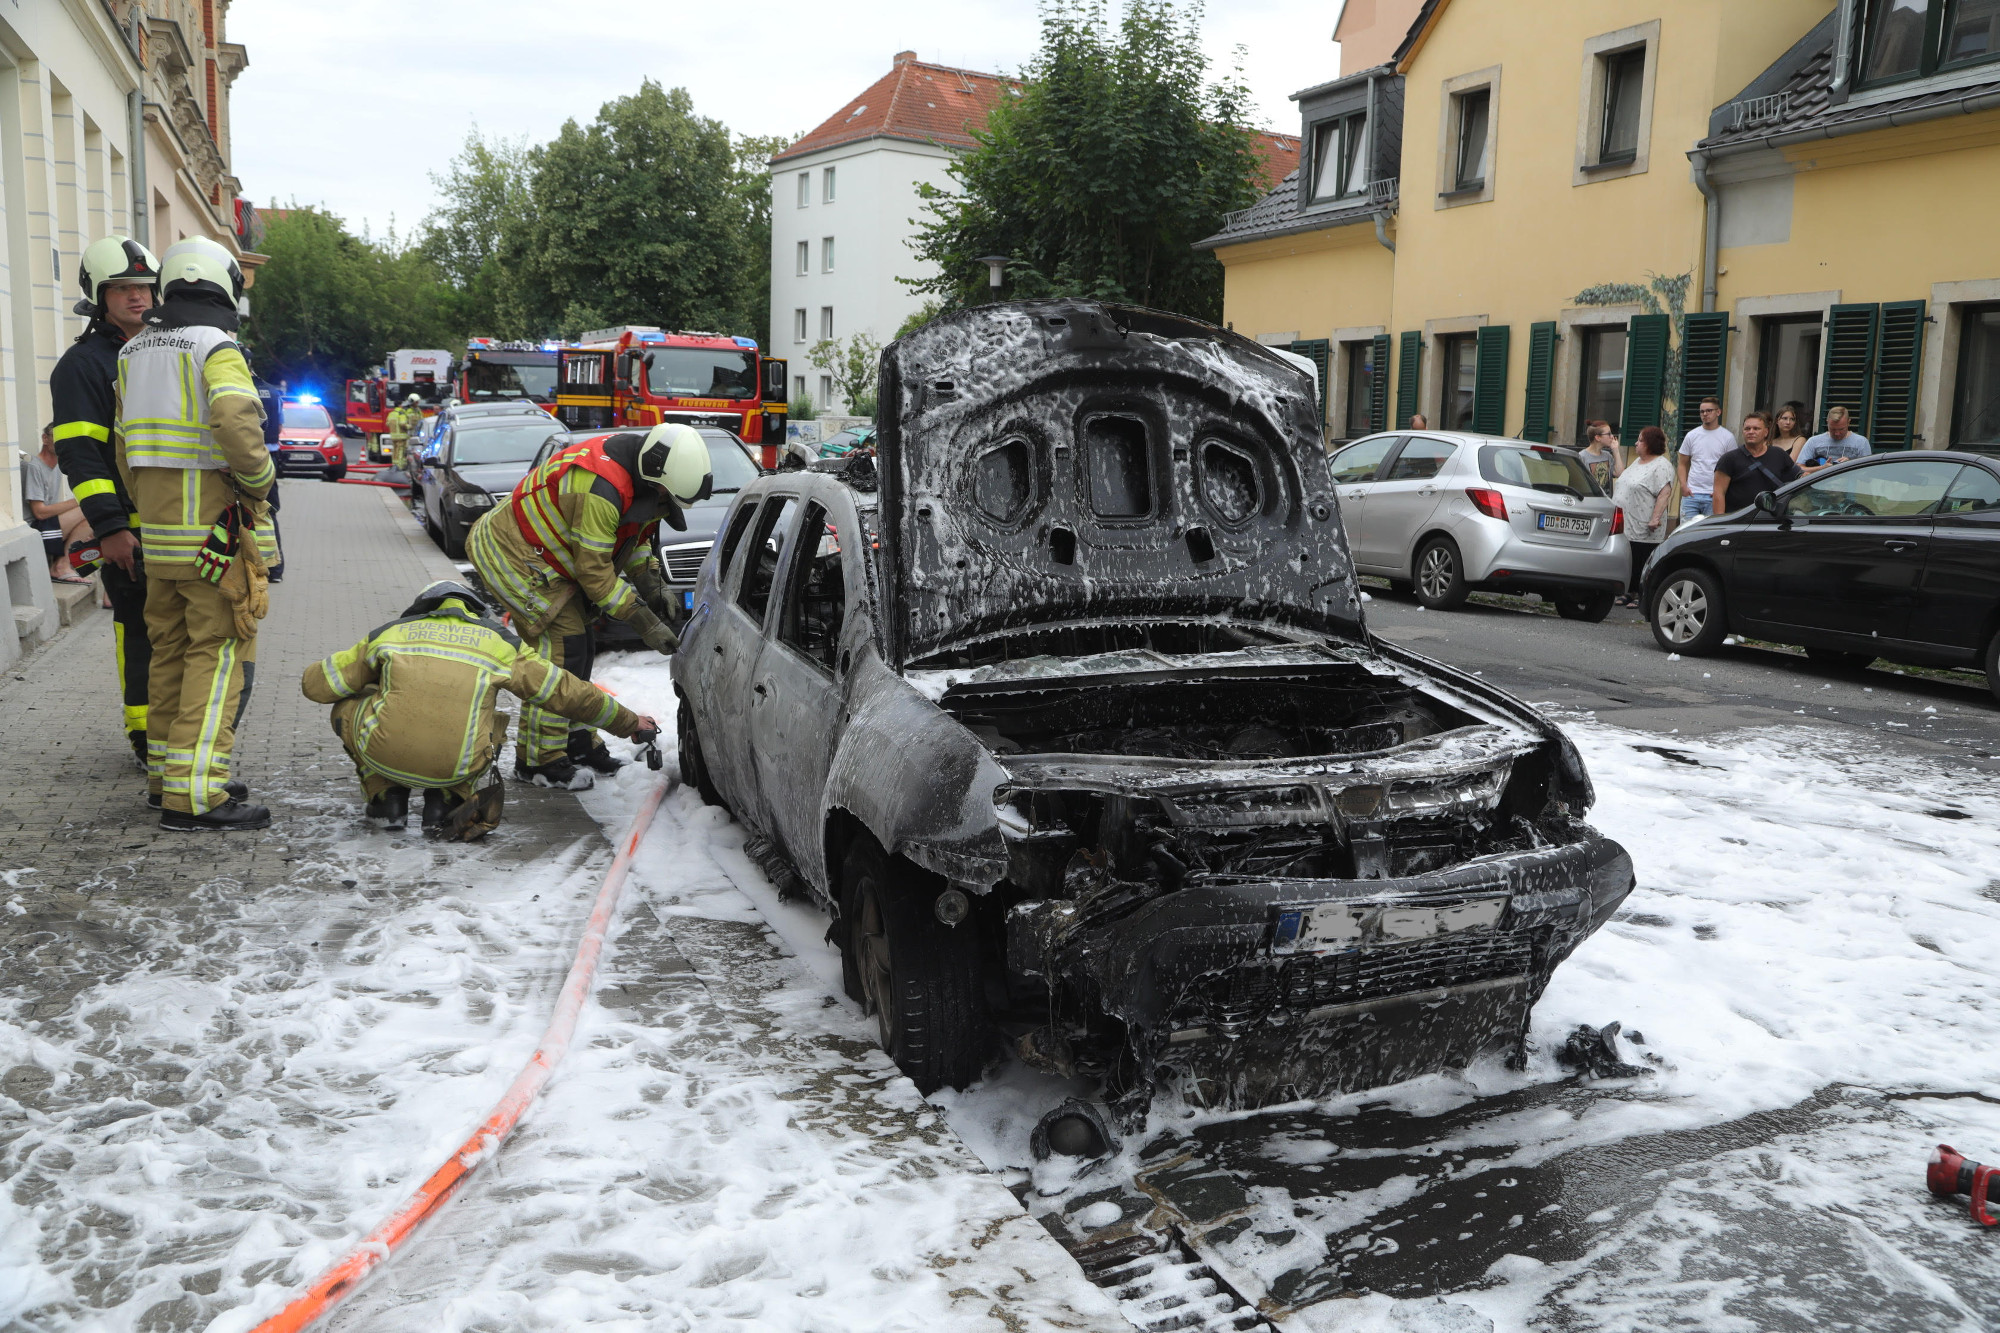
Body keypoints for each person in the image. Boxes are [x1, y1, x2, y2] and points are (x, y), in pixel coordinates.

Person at [115, 236, 276, 831]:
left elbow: (123, 449)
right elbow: (237, 421)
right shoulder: (216, 346)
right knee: (218, 662)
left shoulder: (134, 353)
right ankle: (197, 796)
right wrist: (259, 481)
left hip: (159, 540)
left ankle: (166, 780)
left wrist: (147, 512)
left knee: (170, 658)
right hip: (213, 542)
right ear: (222, 285)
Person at [301, 581, 658, 838]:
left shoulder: (391, 633)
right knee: (493, 722)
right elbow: (567, 693)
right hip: (457, 763)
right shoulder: (499, 644)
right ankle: (446, 799)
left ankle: (384, 798)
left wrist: (373, 677)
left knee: (348, 705)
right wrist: (628, 722)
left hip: (381, 755)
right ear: (476, 612)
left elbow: (317, 686)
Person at [465, 421, 711, 790]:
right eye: (666, 498)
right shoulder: (601, 487)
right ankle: (537, 761)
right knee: (561, 653)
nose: (665, 504)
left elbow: (635, 538)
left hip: (543, 557)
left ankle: (576, 743)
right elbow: (594, 574)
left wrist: (653, 583)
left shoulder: (647, 481)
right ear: (655, 478)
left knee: (581, 648)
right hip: (510, 554)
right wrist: (645, 622)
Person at [50, 235, 160, 766]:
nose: (137, 297)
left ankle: (186, 733)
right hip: (130, 533)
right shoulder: (83, 366)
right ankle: (145, 734)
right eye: (122, 288)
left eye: (144, 286)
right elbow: (82, 457)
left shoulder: (169, 351)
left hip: (181, 525)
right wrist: (112, 528)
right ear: (99, 295)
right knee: (138, 629)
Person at [1613, 426, 1674, 609]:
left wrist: (1655, 518)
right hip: (1627, 522)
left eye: (1640, 440)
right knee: (1630, 557)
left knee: (1643, 559)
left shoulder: (1661, 465)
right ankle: (1629, 591)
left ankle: (1642, 594)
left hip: (1644, 522)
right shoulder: (1637, 461)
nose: (1636, 443)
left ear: (1650, 444)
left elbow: (1664, 493)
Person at [25, 425, 91, 583]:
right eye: (56, 436)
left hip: (49, 526)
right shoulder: (34, 466)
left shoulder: (56, 467)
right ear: (45, 439)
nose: (61, 441)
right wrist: (78, 500)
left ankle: (63, 564)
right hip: (35, 529)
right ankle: (61, 567)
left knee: (93, 512)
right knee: (87, 507)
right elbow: (39, 512)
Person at [1713, 410, 1803, 515]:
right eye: (1747, 428)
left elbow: (1799, 477)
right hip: (1738, 520)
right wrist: (1721, 521)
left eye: (1756, 429)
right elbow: (1719, 493)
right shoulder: (1728, 459)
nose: (1751, 432)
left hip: (1772, 519)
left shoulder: (1779, 454)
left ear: (1766, 432)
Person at [1675, 395, 1736, 520]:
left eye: (1709, 410)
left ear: (1718, 412)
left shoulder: (1727, 437)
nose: (1705, 414)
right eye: (1702, 411)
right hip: (1692, 494)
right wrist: (1683, 486)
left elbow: (1733, 467)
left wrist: (1722, 491)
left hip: (1713, 495)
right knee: (1686, 533)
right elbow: (1682, 463)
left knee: (1709, 534)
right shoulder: (1692, 435)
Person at [1799, 405, 1872, 473]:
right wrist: (1822, 468)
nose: (1837, 433)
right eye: (1833, 429)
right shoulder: (1813, 441)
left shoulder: (1861, 442)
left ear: (1848, 422)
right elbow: (1799, 468)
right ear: (1827, 422)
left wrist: (1850, 465)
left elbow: (1868, 472)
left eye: (1841, 429)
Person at [1577, 420, 1624, 491]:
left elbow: (1620, 474)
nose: (1612, 436)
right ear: (1598, 438)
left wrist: (1616, 450)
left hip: (1606, 499)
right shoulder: (1581, 457)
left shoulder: (1607, 456)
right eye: (1608, 434)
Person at [386, 394, 424, 472]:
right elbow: (403, 423)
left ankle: (395, 465)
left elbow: (388, 424)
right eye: (416, 402)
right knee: (402, 451)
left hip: (397, 435)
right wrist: (410, 427)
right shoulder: (404, 412)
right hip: (405, 435)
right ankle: (400, 466)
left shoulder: (392, 413)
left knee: (396, 451)